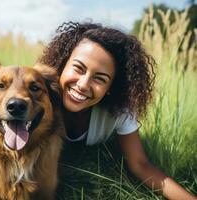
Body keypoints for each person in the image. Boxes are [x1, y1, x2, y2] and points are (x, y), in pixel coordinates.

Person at [37, 21, 196, 200]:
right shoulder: (38, 96)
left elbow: (140, 165)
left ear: (111, 87)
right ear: (63, 64)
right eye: (78, 68)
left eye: (100, 79)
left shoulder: (120, 111)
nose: (83, 85)